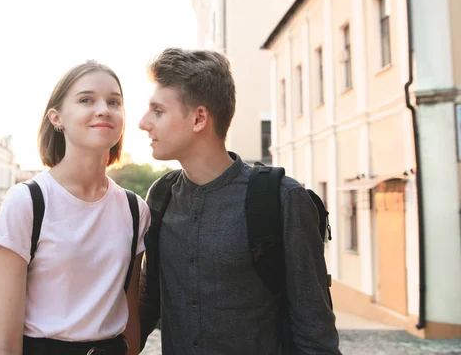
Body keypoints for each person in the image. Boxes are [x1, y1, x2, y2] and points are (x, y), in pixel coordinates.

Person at [138, 48, 340, 354]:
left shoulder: (282, 199)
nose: (144, 122)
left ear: (199, 118)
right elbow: (147, 301)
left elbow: (315, 331)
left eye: (158, 111)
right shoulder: (161, 195)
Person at [0, 61, 150, 355]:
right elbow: (3, 343)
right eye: (86, 99)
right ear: (56, 117)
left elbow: (130, 320)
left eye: (114, 101)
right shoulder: (27, 202)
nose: (103, 109)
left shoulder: (135, 209)